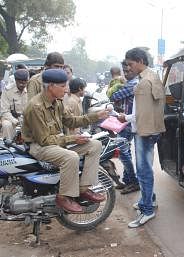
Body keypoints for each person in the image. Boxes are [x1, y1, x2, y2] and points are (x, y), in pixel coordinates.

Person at [22, 69, 109, 214]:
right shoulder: (35, 107)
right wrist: (73, 139)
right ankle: (63, 197)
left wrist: (96, 116)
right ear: (50, 86)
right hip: (39, 146)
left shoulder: (57, 102)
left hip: (57, 142)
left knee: (95, 145)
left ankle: (83, 189)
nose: (67, 89)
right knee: (71, 157)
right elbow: (44, 140)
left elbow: (71, 121)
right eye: (63, 86)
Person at [118, 48, 165, 228]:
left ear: (139, 61)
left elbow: (141, 115)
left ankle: (147, 210)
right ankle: (149, 200)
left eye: (130, 64)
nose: (128, 68)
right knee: (146, 169)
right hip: (152, 130)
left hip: (144, 132)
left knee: (143, 171)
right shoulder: (153, 76)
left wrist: (127, 118)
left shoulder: (143, 83)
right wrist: (129, 118)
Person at [110, 61, 140, 194]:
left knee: (122, 152)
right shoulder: (127, 83)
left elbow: (113, 96)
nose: (126, 74)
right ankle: (128, 180)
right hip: (125, 121)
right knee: (125, 152)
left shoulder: (132, 84)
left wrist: (116, 84)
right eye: (124, 71)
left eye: (129, 71)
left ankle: (133, 181)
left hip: (128, 122)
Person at [0, 69, 29, 140]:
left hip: (27, 118)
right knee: (7, 125)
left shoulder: (30, 89)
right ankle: (9, 147)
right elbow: (4, 111)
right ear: (15, 80)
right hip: (11, 118)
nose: (23, 85)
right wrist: (15, 121)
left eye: (25, 82)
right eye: (20, 82)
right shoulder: (7, 90)